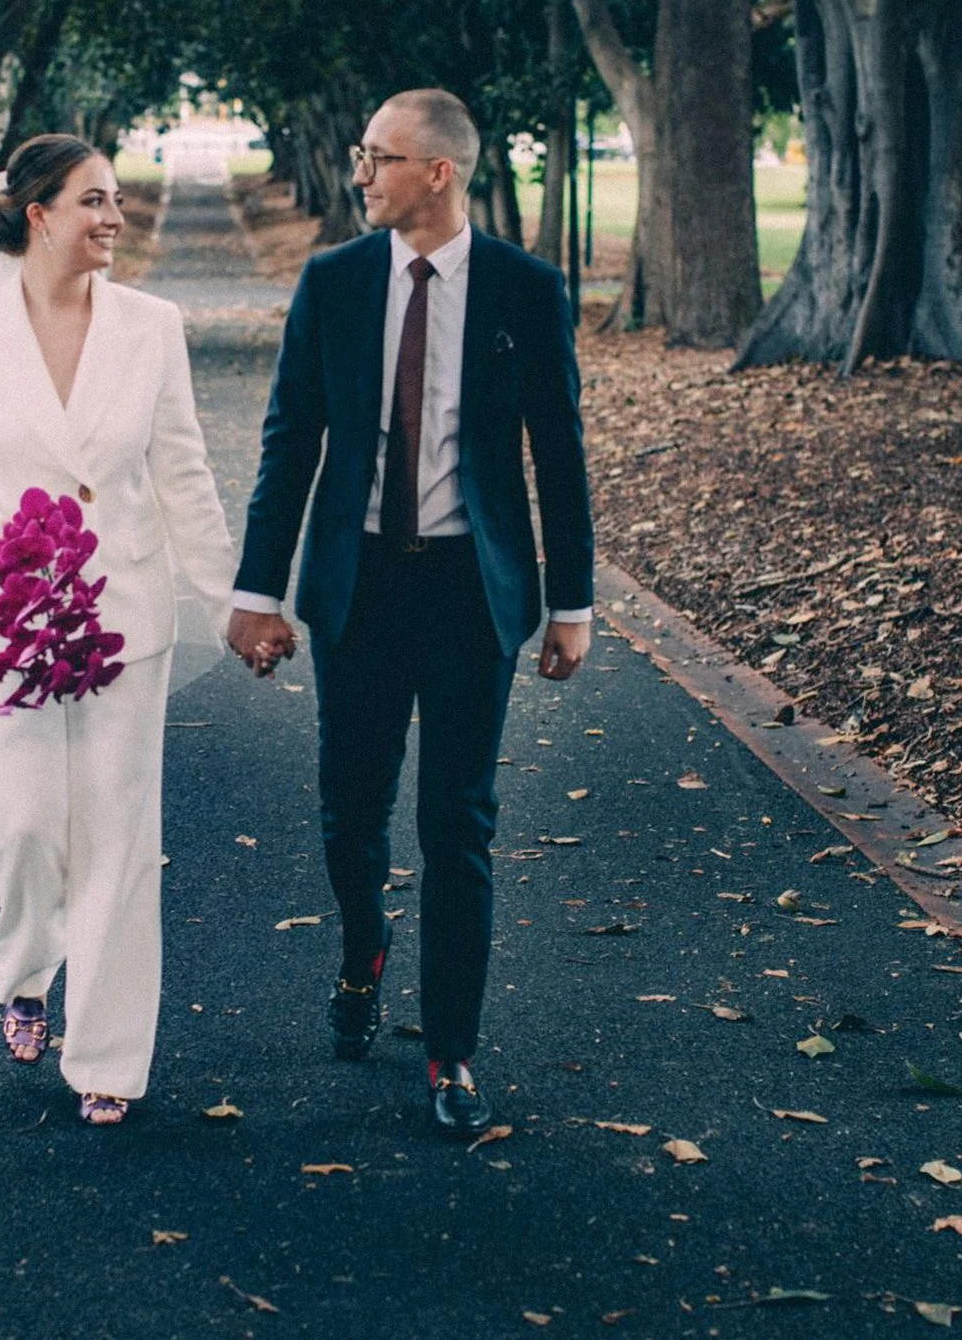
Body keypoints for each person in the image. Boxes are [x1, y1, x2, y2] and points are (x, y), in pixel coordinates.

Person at [226, 89, 595, 1137]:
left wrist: (571, 602)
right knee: (351, 811)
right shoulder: (335, 281)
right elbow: (290, 440)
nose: (361, 174)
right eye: (359, 154)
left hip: (471, 590)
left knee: (459, 824)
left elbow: (558, 451)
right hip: (359, 585)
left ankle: (450, 1050)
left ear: (439, 171)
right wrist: (256, 592)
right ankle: (363, 950)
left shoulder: (525, 288)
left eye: (378, 157)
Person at [0, 133, 236, 1126]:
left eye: (117, 199)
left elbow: (182, 471)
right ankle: (25, 968)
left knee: (118, 839)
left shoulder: (151, 326)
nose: (114, 217)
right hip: (4, 620)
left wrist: (232, 600)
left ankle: (107, 1057)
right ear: (38, 212)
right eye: (94, 199)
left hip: (123, 616)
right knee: (21, 826)